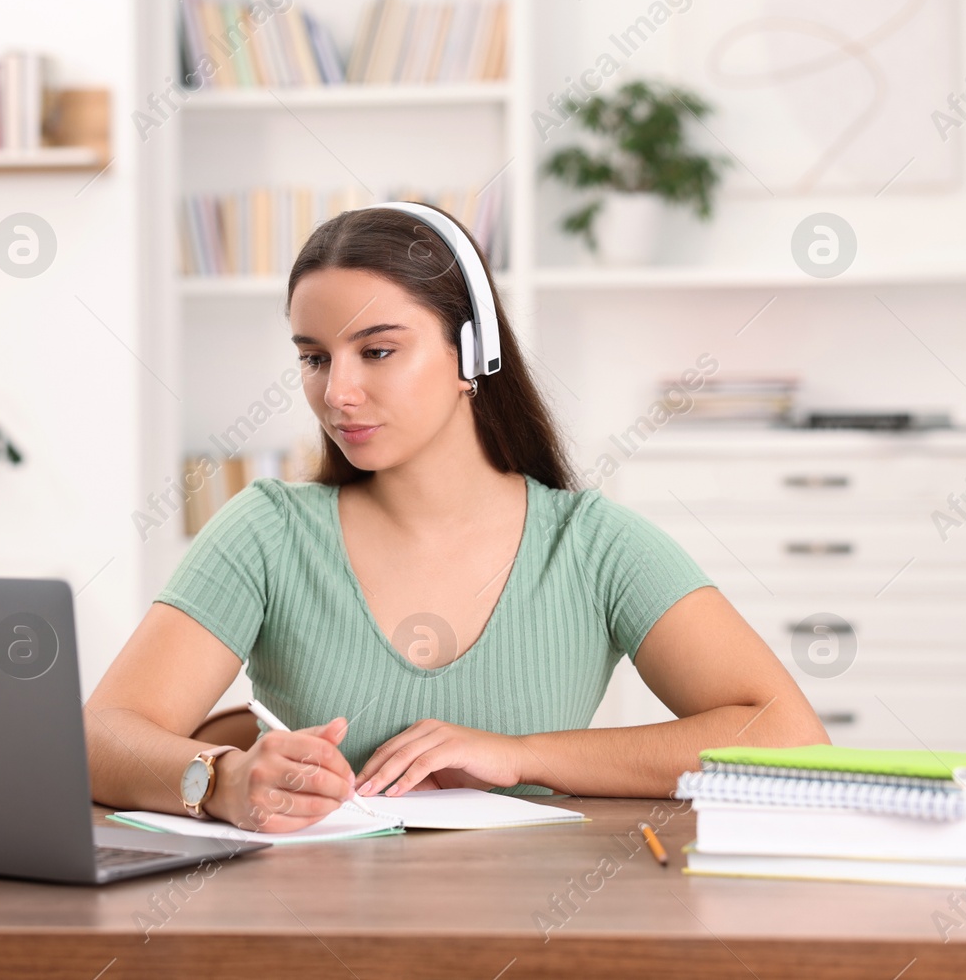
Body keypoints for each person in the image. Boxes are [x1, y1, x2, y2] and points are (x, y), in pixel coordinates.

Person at [85, 202, 827, 833]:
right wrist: (222, 778)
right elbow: (99, 736)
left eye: (377, 351)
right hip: (310, 931)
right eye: (314, 358)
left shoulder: (593, 543)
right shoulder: (267, 531)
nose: (337, 391)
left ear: (473, 352)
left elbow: (790, 738)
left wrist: (522, 753)